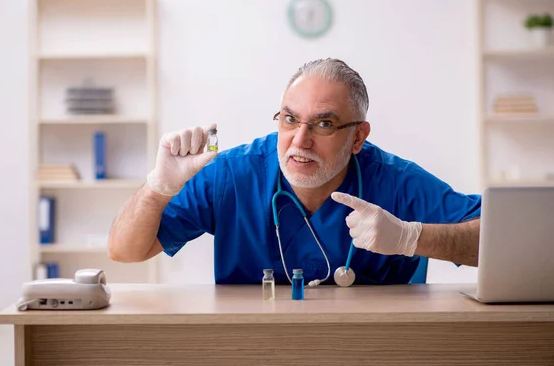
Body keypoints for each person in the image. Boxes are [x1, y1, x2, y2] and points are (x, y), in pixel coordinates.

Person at [108, 58, 482, 285]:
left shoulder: (396, 182)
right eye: (289, 119)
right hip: (258, 347)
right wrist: (157, 189)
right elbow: (124, 251)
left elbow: (497, 239)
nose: (299, 141)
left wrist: (410, 238)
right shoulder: (230, 175)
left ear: (358, 137)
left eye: (323, 124)